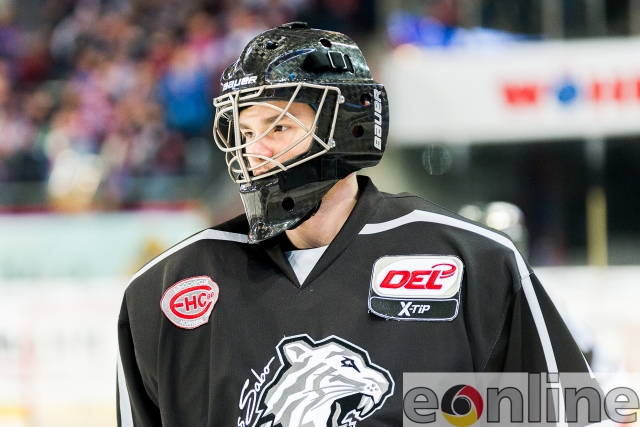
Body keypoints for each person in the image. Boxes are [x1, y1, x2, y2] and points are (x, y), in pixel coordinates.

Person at [117, 23, 596, 427]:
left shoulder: (475, 262)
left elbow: (565, 414)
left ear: (349, 125)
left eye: (278, 127)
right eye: (245, 132)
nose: (254, 151)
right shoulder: (162, 291)